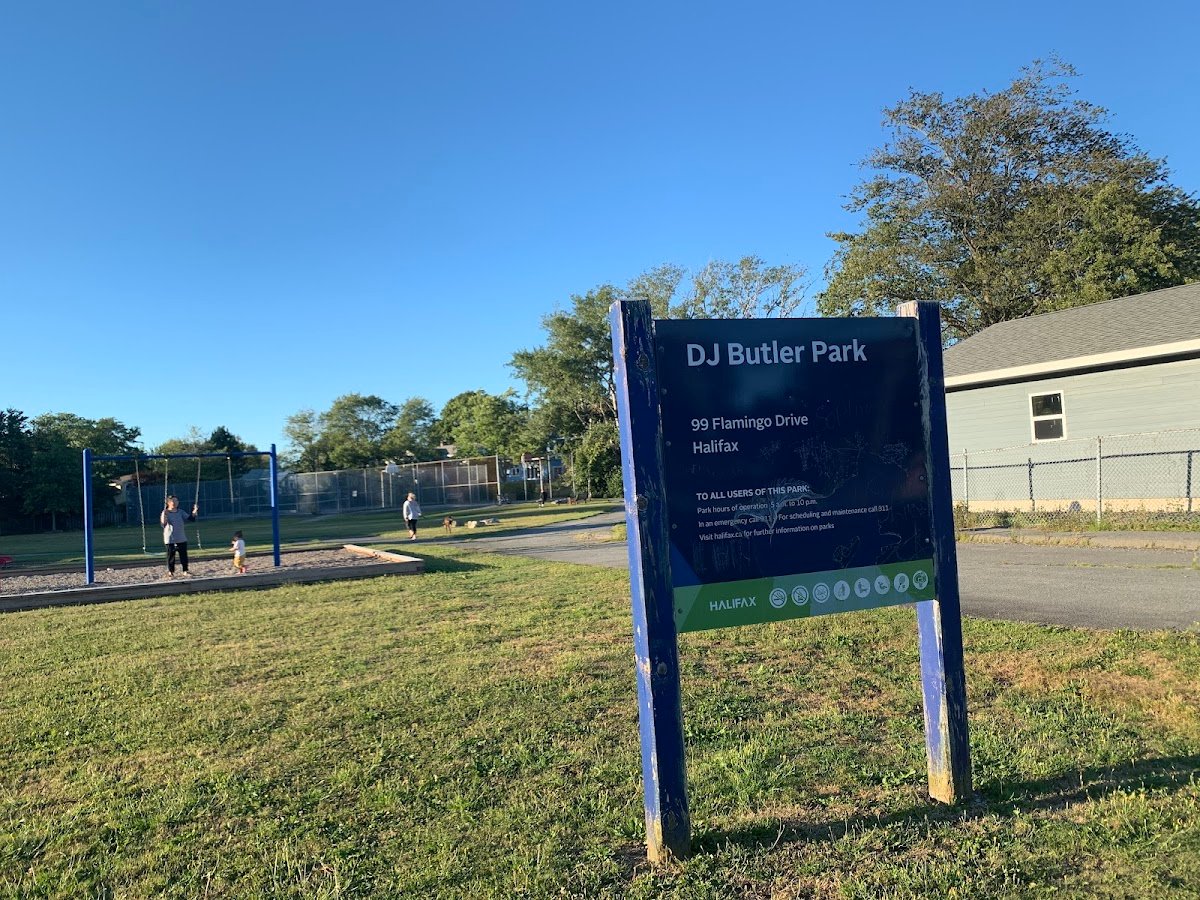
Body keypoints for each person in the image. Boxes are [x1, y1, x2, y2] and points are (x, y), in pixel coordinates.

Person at [160, 495, 198, 577]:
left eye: (176, 501)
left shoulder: (180, 512)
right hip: (170, 538)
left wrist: (195, 511)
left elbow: (190, 519)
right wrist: (164, 515)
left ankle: (185, 570)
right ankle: (171, 571)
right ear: (168, 503)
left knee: (183, 556)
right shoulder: (165, 512)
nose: (175, 503)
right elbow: (163, 524)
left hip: (181, 538)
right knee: (171, 556)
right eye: (173, 501)